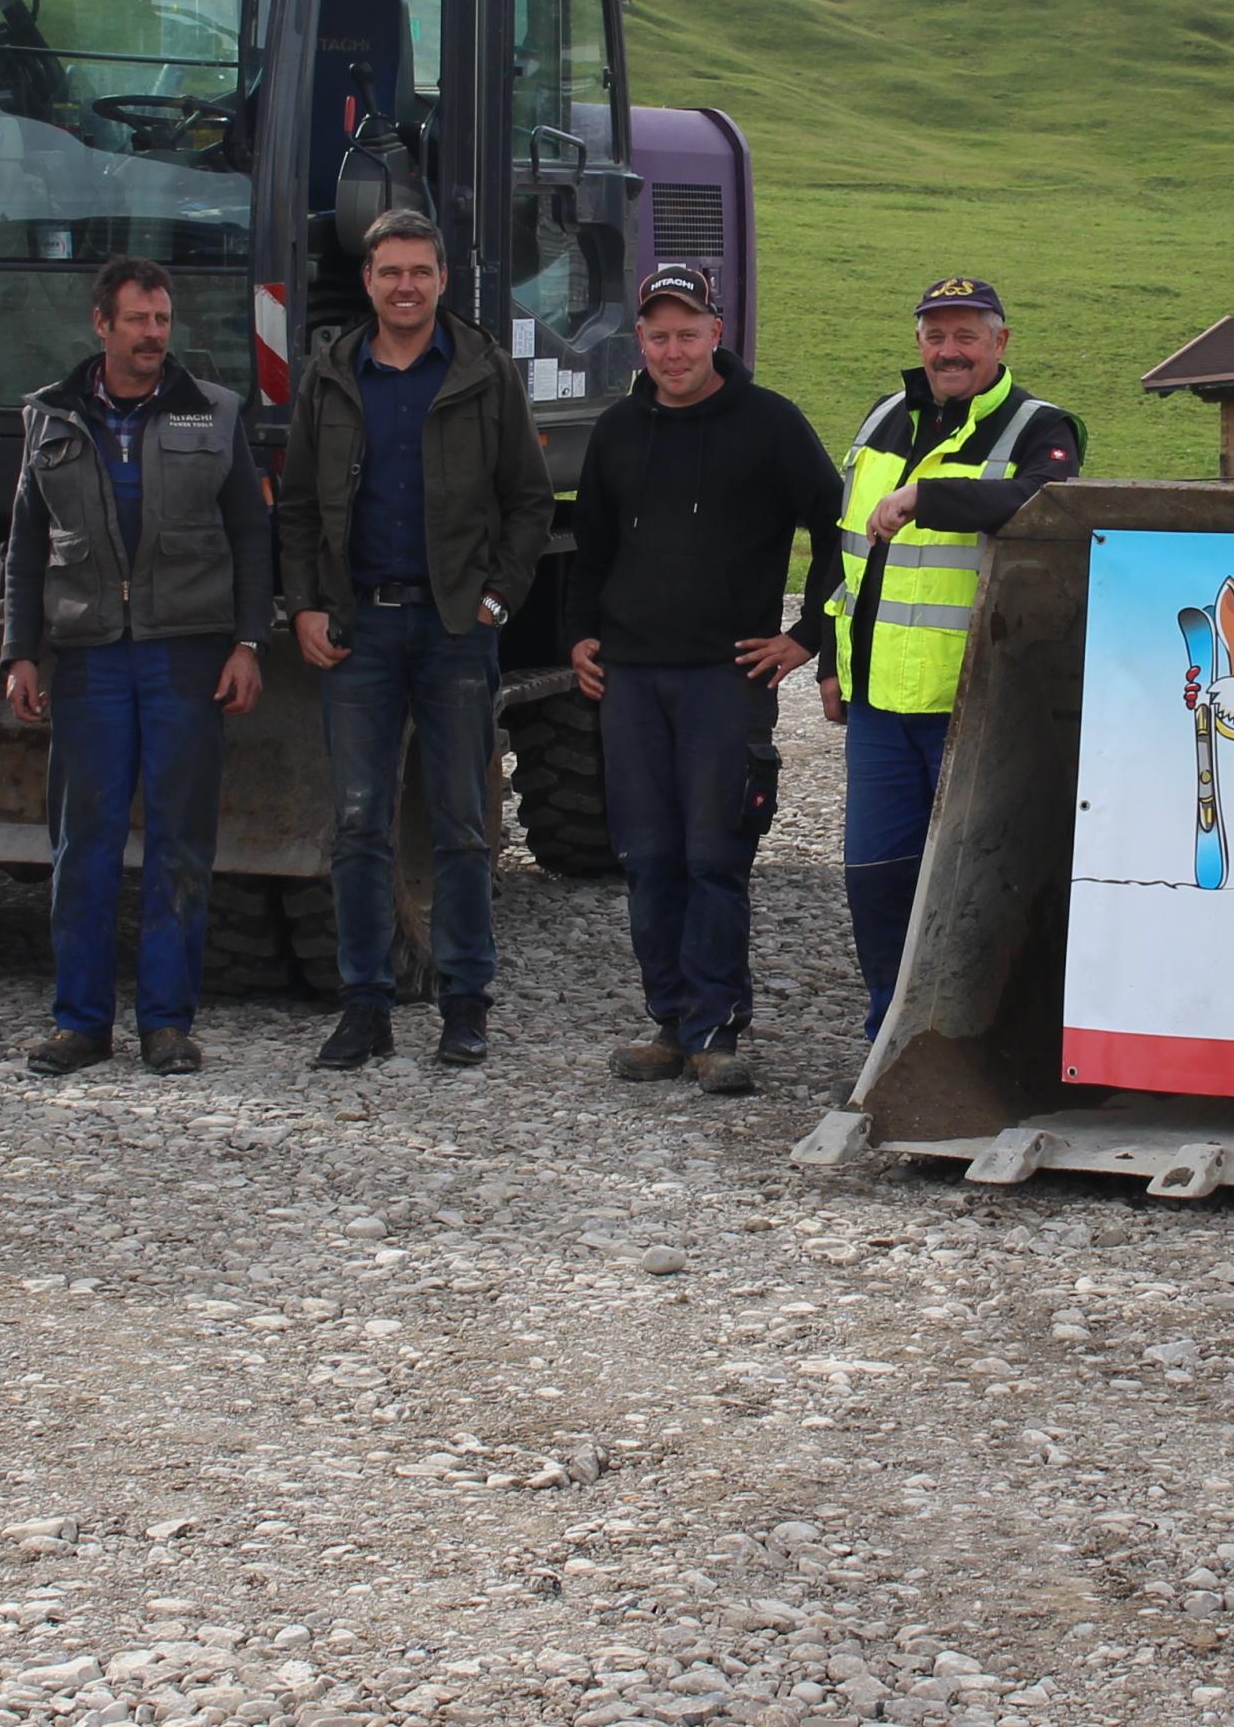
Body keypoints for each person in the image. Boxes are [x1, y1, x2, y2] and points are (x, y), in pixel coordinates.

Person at [275, 206, 549, 1071]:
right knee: (358, 824)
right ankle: (366, 1006)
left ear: (442, 280)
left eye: (419, 272)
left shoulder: (482, 373)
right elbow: (296, 507)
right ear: (367, 281)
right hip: (357, 630)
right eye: (389, 272)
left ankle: (466, 1003)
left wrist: (497, 600)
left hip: (453, 628)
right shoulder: (331, 376)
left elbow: (528, 501)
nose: (405, 286)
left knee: (461, 822)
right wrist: (305, 606)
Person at [563, 261, 844, 1096]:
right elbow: (589, 547)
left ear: (717, 334)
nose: (674, 351)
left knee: (715, 854)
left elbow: (837, 527)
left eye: (688, 334)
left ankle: (719, 1030)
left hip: (727, 677)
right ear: (639, 341)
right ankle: (670, 1023)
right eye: (659, 336)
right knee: (647, 856)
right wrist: (578, 634)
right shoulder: (618, 430)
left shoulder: (770, 424)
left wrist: (807, 634)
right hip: (631, 679)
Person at [3, 256, 272, 1077]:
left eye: (162, 319)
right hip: (88, 660)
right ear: (102, 325)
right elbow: (25, 547)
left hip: (184, 656)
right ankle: (80, 1024)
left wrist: (249, 643)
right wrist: (20, 652)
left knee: (180, 844)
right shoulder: (49, 417)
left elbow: (251, 537)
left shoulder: (215, 413)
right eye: (138, 320)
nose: (154, 334)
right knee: (82, 846)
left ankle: (166, 1023)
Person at [824, 275, 1080, 1039]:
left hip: (978, 704)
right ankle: (889, 1039)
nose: (949, 351)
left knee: (979, 882)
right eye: (936, 336)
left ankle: (978, 1044)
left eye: (967, 335)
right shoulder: (883, 418)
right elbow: (844, 547)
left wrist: (926, 498)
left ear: (1001, 342)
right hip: (879, 706)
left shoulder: (1039, 427)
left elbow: (1046, 501)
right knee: (875, 880)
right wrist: (833, 662)